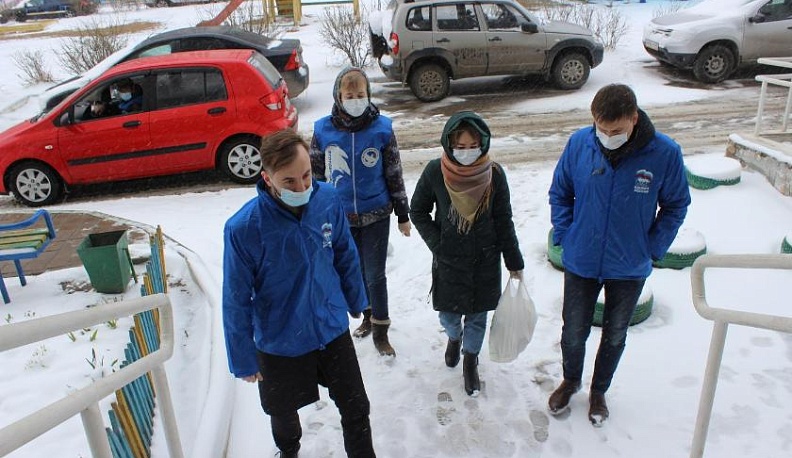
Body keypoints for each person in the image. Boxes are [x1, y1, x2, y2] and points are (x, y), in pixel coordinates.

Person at [223, 129, 376, 458]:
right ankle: (288, 452)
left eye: (306, 176)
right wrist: (243, 357)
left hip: (329, 325)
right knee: (283, 415)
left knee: (357, 409)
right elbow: (236, 298)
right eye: (289, 181)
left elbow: (344, 251)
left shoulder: (327, 200)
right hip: (280, 340)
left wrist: (356, 298)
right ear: (267, 177)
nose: (302, 187)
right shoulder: (245, 228)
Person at [547, 83, 691, 426]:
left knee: (614, 334)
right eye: (602, 128)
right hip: (581, 259)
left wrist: (652, 248)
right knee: (573, 331)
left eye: (617, 130)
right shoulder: (580, 143)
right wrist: (568, 235)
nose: (608, 136)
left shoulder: (664, 153)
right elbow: (560, 193)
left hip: (628, 266)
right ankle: (570, 381)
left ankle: (599, 390)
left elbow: (675, 205)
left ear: (635, 119)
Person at [410, 111, 524, 397]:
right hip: (448, 261)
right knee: (449, 315)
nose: (466, 152)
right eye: (459, 147)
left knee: (477, 317)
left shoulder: (494, 174)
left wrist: (513, 260)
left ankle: (471, 360)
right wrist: (438, 244)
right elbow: (418, 211)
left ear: (483, 144)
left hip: (484, 261)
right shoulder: (436, 171)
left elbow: (503, 218)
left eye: (472, 146)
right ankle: (453, 337)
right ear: (449, 145)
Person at [310, 67, 411, 357]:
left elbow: (394, 172)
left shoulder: (381, 129)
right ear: (338, 97)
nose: (355, 100)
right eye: (349, 95)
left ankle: (381, 328)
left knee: (375, 274)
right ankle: (366, 316)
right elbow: (315, 177)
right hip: (339, 218)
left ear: (368, 95)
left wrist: (402, 214)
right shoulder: (323, 130)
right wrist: (314, 215)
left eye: (360, 95)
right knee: (351, 272)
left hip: (376, 214)